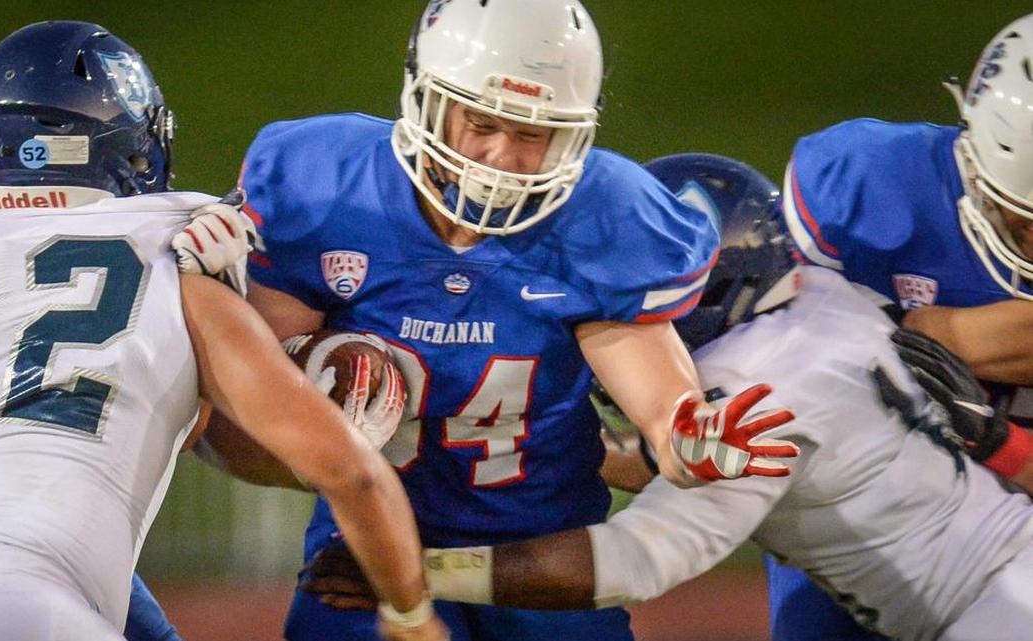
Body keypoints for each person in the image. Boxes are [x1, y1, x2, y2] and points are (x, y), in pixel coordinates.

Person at [218, 1, 800, 639]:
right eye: (481, 122)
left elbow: (666, 414)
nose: (502, 156)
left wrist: (691, 441)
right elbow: (244, 409)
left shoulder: (606, 215)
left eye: (533, 134)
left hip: (546, 553)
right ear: (425, 98)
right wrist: (321, 423)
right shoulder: (325, 186)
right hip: (367, 546)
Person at [304, 154, 1033, 641]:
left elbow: (633, 558)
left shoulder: (753, 387)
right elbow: (717, 461)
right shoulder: (823, 303)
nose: (633, 306)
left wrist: (417, 569)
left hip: (997, 605)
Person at [0, 21, 447, 641]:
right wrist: (413, 617)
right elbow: (348, 472)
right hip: (21, 602)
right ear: (134, 150)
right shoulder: (175, 252)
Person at [774, 13, 1033, 640]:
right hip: (870, 504)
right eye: (1025, 220)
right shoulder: (864, 181)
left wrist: (946, 335)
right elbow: (781, 374)